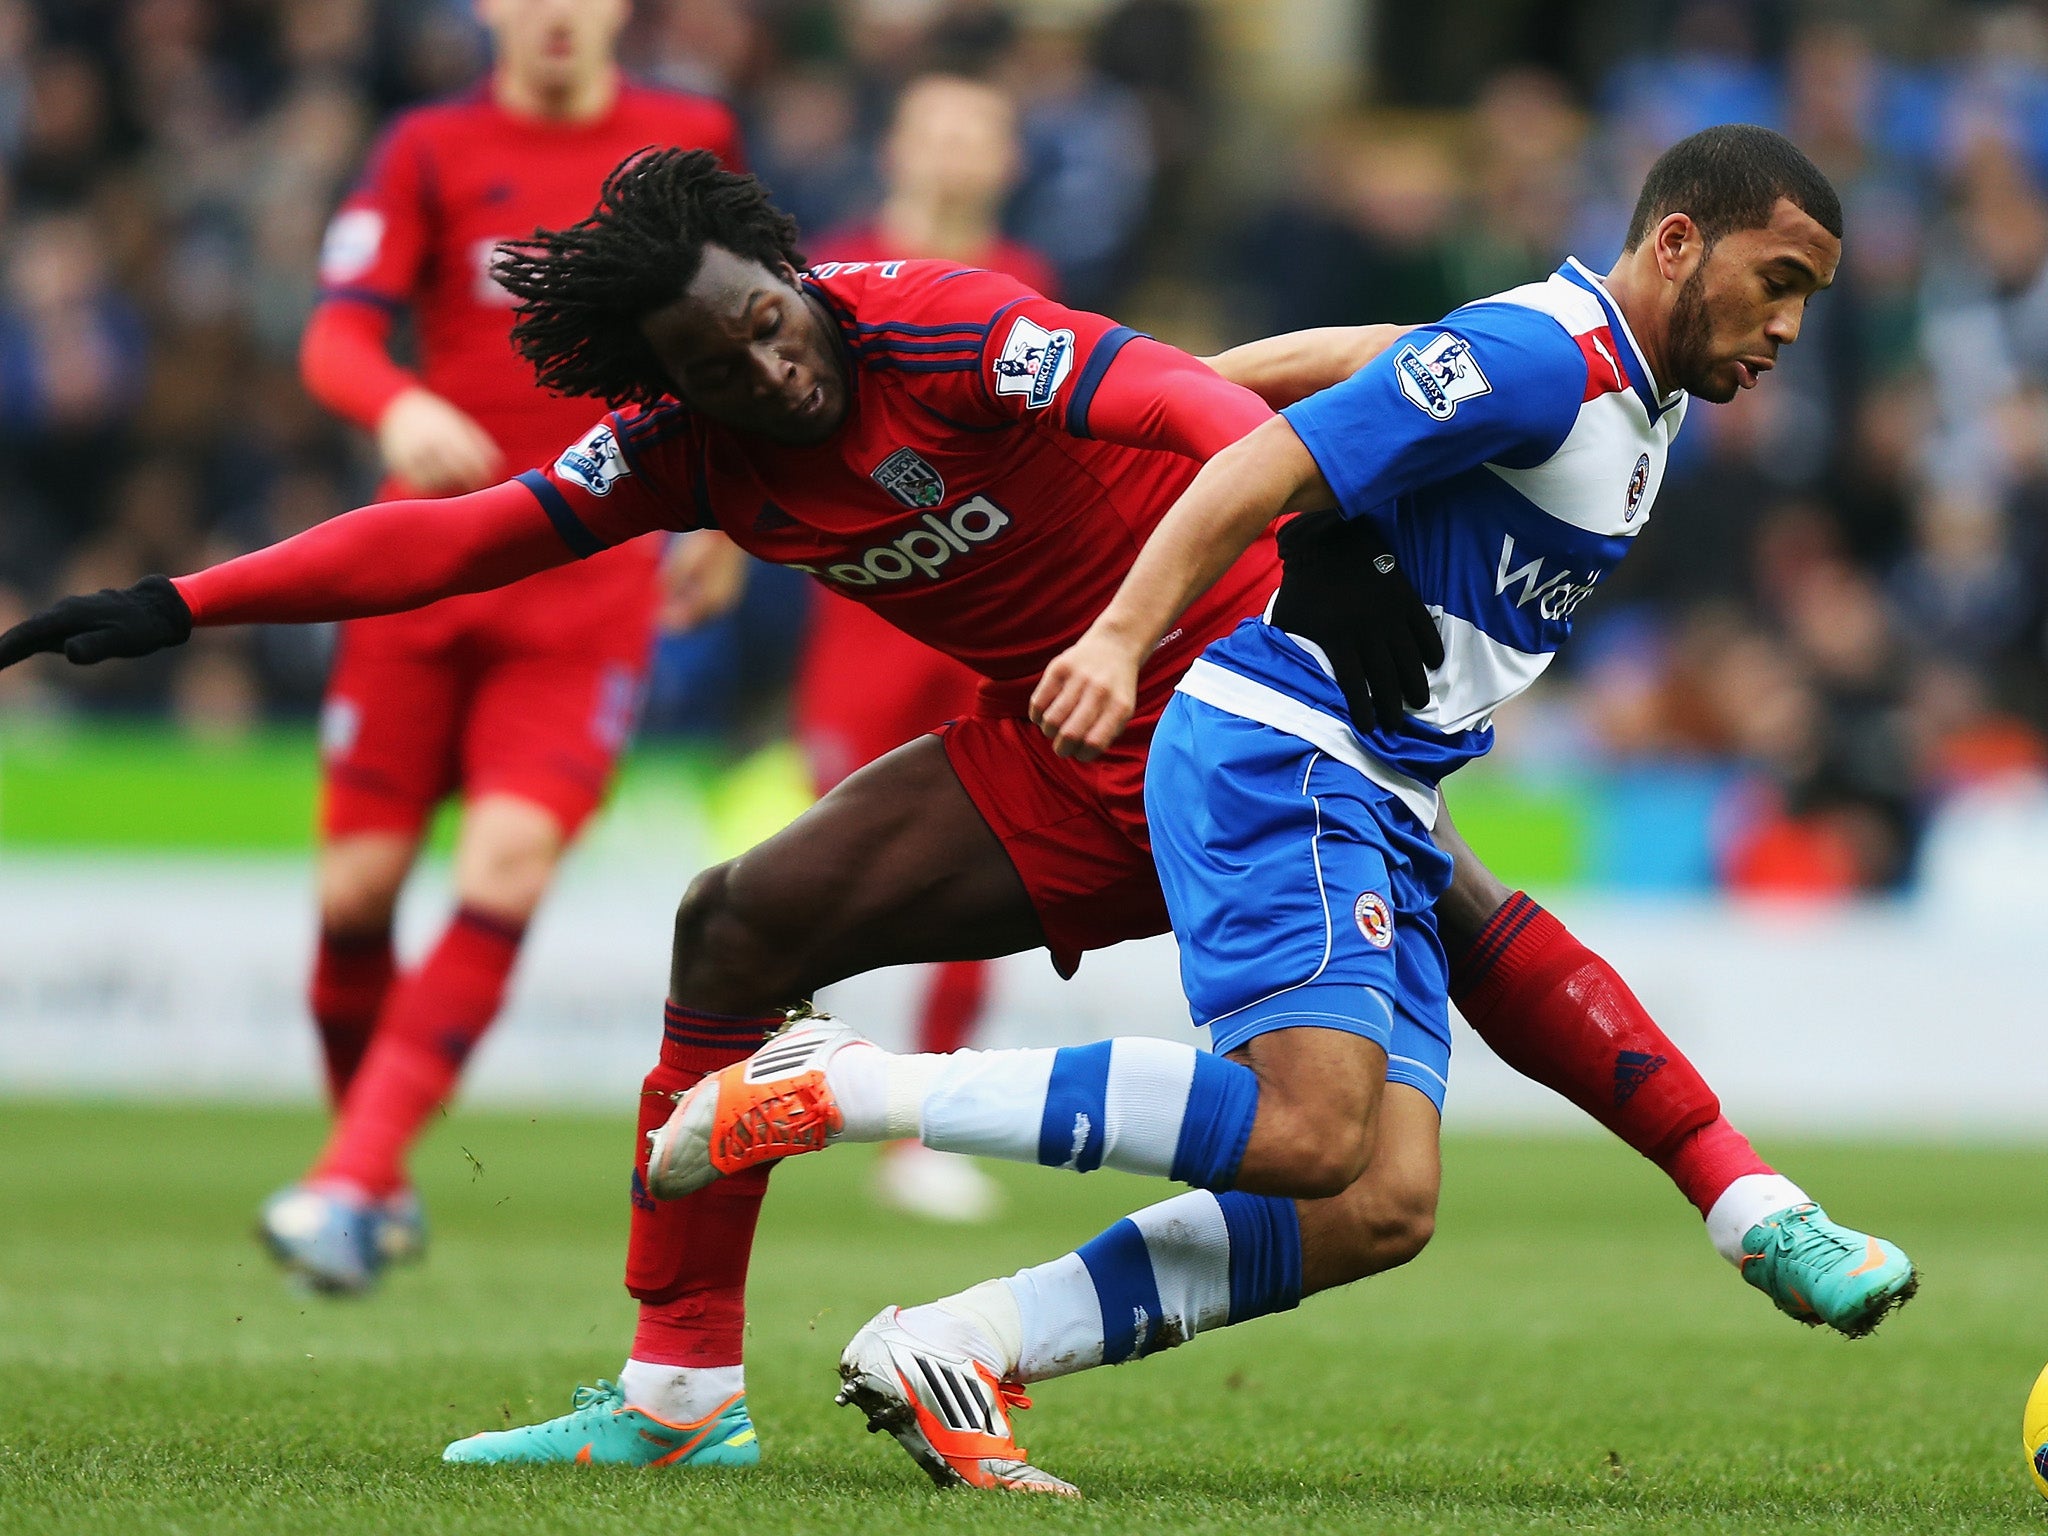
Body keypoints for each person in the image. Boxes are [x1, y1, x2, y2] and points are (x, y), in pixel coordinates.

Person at [0, 148, 1898, 1476]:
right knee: (735, 929)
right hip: (1054, 742)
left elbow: (1170, 403)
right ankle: (688, 1386)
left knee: (1405, 1040)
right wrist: (184, 601)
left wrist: (1180, 569)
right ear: (669, 386)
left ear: (791, 268)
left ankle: (1740, 1192)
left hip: (1225, 675)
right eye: (711, 360)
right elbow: (458, 535)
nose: (760, 360)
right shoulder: (696, 451)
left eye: (761, 314)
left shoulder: (925, 323)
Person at [644, 125, 1916, 1496]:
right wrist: (1121, 634)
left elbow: (1367, 356)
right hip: (1281, 745)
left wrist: (1181, 386)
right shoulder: (1556, 358)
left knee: (1377, 1203)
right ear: (1680, 243)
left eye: (1809, 299)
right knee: (1308, 1125)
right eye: (1777, 280)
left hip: (1380, 777)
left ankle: (960, 1344)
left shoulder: (1616, 385)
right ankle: (844, 1083)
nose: (1789, 325)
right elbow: (1269, 463)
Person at [263, 0, 742, 1292]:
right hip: (422, 567)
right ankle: (372, 1171)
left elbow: (752, 336)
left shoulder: (685, 139)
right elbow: (336, 332)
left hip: (584, 580)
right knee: (356, 896)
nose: (553, 12)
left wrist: (740, 507)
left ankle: (351, 1177)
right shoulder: (425, 146)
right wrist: (398, 398)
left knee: (508, 863)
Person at [804, 72, 1059, 1222]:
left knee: (994, 858)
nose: (955, 150)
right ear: (894, 145)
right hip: (863, 612)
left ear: (1004, 160)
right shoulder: (823, 278)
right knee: (830, 858)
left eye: (978, 131)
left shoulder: (1028, 286)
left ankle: (920, 1131)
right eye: (936, 127)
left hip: (993, 614)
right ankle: (791, 1083)